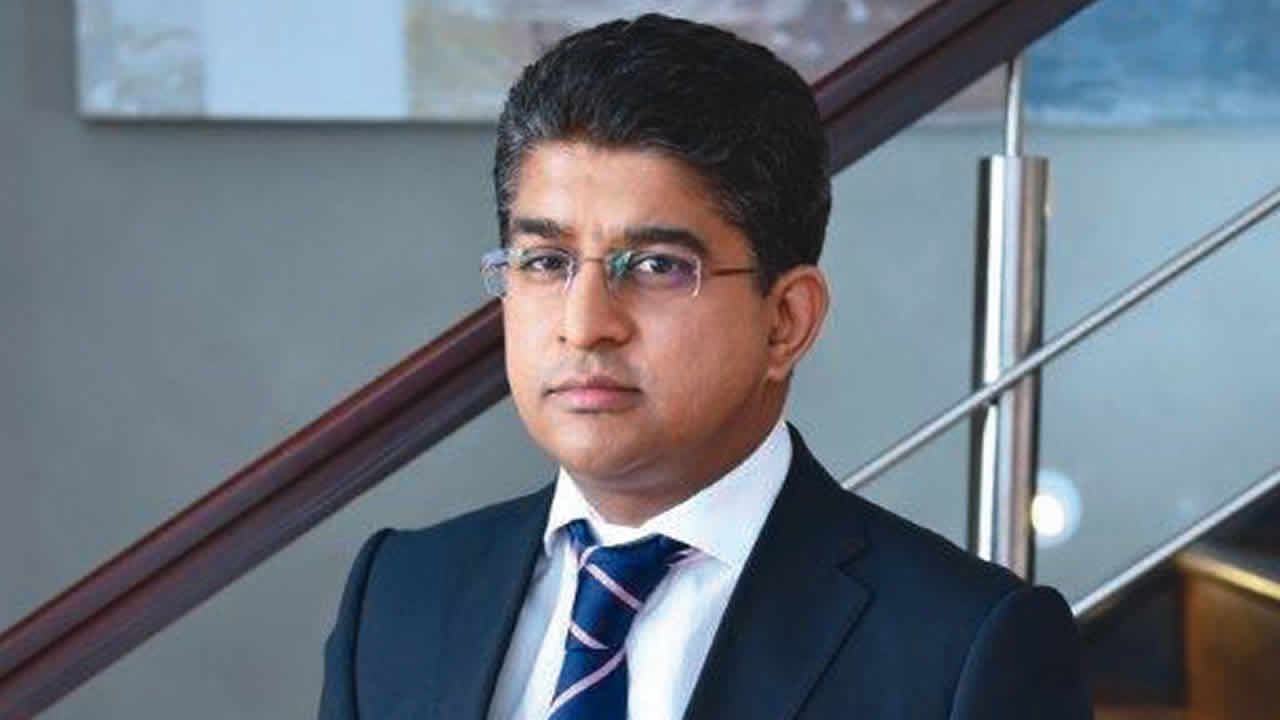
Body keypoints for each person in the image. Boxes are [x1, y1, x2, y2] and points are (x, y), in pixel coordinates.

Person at [320, 13, 1091, 720]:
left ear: (786, 321)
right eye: (546, 261)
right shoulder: (399, 597)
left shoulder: (963, 650)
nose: (584, 324)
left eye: (657, 266)